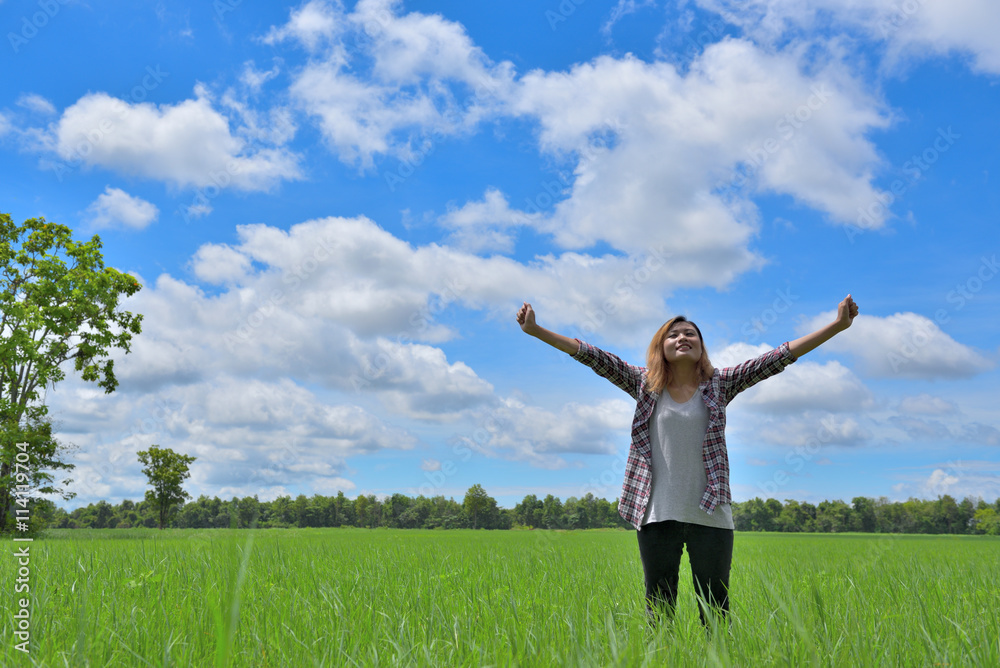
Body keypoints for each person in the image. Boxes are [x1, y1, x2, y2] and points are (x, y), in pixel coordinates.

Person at [515, 295, 859, 627]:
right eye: (673, 334)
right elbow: (593, 356)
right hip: (656, 513)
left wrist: (837, 326)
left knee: (715, 609)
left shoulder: (720, 384)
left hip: (710, 514)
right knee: (659, 609)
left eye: (690, 333)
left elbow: (776, 358)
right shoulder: (643, 384)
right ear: (660, 347)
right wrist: (537, 330)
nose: (682, 338)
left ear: (700, 346)